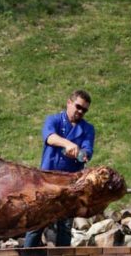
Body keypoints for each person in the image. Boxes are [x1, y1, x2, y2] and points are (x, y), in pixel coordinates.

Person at [24, 90, 95, 247]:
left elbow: (87, 153)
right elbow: (49, 137)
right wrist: (67, 144)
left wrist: (77, 153)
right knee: (36, 223)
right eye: (78, 107)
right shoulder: (54, 120)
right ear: (69, 102)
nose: (80, 111)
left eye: (84, 110)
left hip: (70, 184)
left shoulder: (88, 129)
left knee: (65, 226)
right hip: (46, 181)